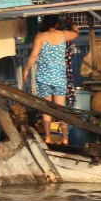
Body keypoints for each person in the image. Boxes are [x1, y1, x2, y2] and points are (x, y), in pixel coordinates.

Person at [23, 15, 79, 144]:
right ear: (57, 24)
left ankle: (47, 137)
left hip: (44, 78)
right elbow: (77, 33)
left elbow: (33, 56)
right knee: (61, 108)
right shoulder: (64, 35)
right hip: (59, 77)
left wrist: (26, 69)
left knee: (46, 108)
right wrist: (72, 22)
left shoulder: (40, 37)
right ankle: (65, 137)